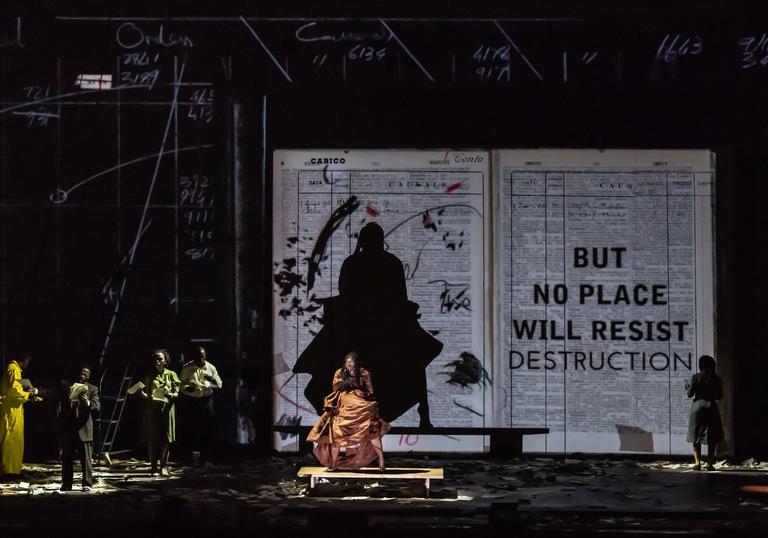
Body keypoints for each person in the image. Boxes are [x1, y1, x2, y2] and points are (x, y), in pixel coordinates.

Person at [295, 222, 443, 427]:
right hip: (372, 327)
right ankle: (423, 414)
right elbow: (397, 296)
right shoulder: (386, 262)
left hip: (369, 328)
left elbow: (350, 294)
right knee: (416, 356)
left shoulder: (357, 262)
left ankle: (424, 414)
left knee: (416, 355)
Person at [307, 352, 390, 471]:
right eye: (348, 364)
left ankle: (381, 461)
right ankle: (333, 464)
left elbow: (370, 391)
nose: (350, 367)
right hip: (344, 409)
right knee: (337, 436)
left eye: (352, 365)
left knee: (373, 434)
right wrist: (345, 382)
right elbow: (334, 388)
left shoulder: (364, 373)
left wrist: (361, 390)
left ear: (357, 364)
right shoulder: (339, 372)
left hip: (361, 409)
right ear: (345, 364)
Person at [58, 364, 100, 491]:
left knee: (86, 459)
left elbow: (96, 405)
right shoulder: (66, 386)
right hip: (69, 427)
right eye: (81, 373)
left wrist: (86, 402)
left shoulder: (92, 388)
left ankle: (87, 483)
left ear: (89, 376)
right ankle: (66, 484)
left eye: (85, 375)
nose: (82, 376)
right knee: (67, 458)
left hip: (84, 428)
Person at [139, 350, 180, 476]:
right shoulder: (150, 376)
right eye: (155, 359)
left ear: (165, 360)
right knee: (153, 439)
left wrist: (169, 394)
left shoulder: (171, 374)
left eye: (160, 359)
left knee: (165, 438)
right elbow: (146, 393)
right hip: (153, 409)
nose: (157, 362)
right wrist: (142, 394)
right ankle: (153, 467)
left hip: (167, 410)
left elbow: (177, 393)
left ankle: (163, 466)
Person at [0, 351, 41, 477]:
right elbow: (15, 391)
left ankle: (13, 469)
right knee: (10, 440)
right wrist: (29, 395)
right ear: (24, 359)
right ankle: (9, 471)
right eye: (28, 361)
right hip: (10, 411)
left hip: (14, 410)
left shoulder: (14, 370)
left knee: (15, 440)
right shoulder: (13, 368)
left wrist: (27, 393)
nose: (28, 364)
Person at [179, 346, 222, 465]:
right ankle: (190, 459)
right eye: (198, 357)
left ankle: (206, 458)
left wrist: (210, 385)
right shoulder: (187, 368)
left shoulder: (211, 368)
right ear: (194, 357)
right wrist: (190, 389)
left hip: (206, 401)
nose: (201, 359)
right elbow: (180, 385)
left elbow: (219, 384)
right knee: (190, 430)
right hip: (192, 402)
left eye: (203, 356)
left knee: (207, 430)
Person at [685, 354, 724, 471]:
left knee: (696, 435)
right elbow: (720, 396)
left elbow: (690, 394)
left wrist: (687, 386)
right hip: (711, 406)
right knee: (712, 436)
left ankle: (697, 463)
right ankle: (710, 464)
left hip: (698, 406)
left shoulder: (695, 377)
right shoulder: (716, 378)